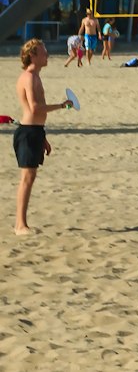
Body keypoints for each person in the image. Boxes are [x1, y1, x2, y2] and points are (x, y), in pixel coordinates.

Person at [14, 39, 74, 234]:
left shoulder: (36, 77)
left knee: (30, 178)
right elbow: (34, 107)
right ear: (33, 55)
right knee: (27, 178)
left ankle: (21, 223)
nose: (47, 55)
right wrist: (62, 105)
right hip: (28, 132)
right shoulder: (29, 77)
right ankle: (20, 225)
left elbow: (37, 113)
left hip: (35, 131)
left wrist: (43, 137)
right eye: (43, 52)